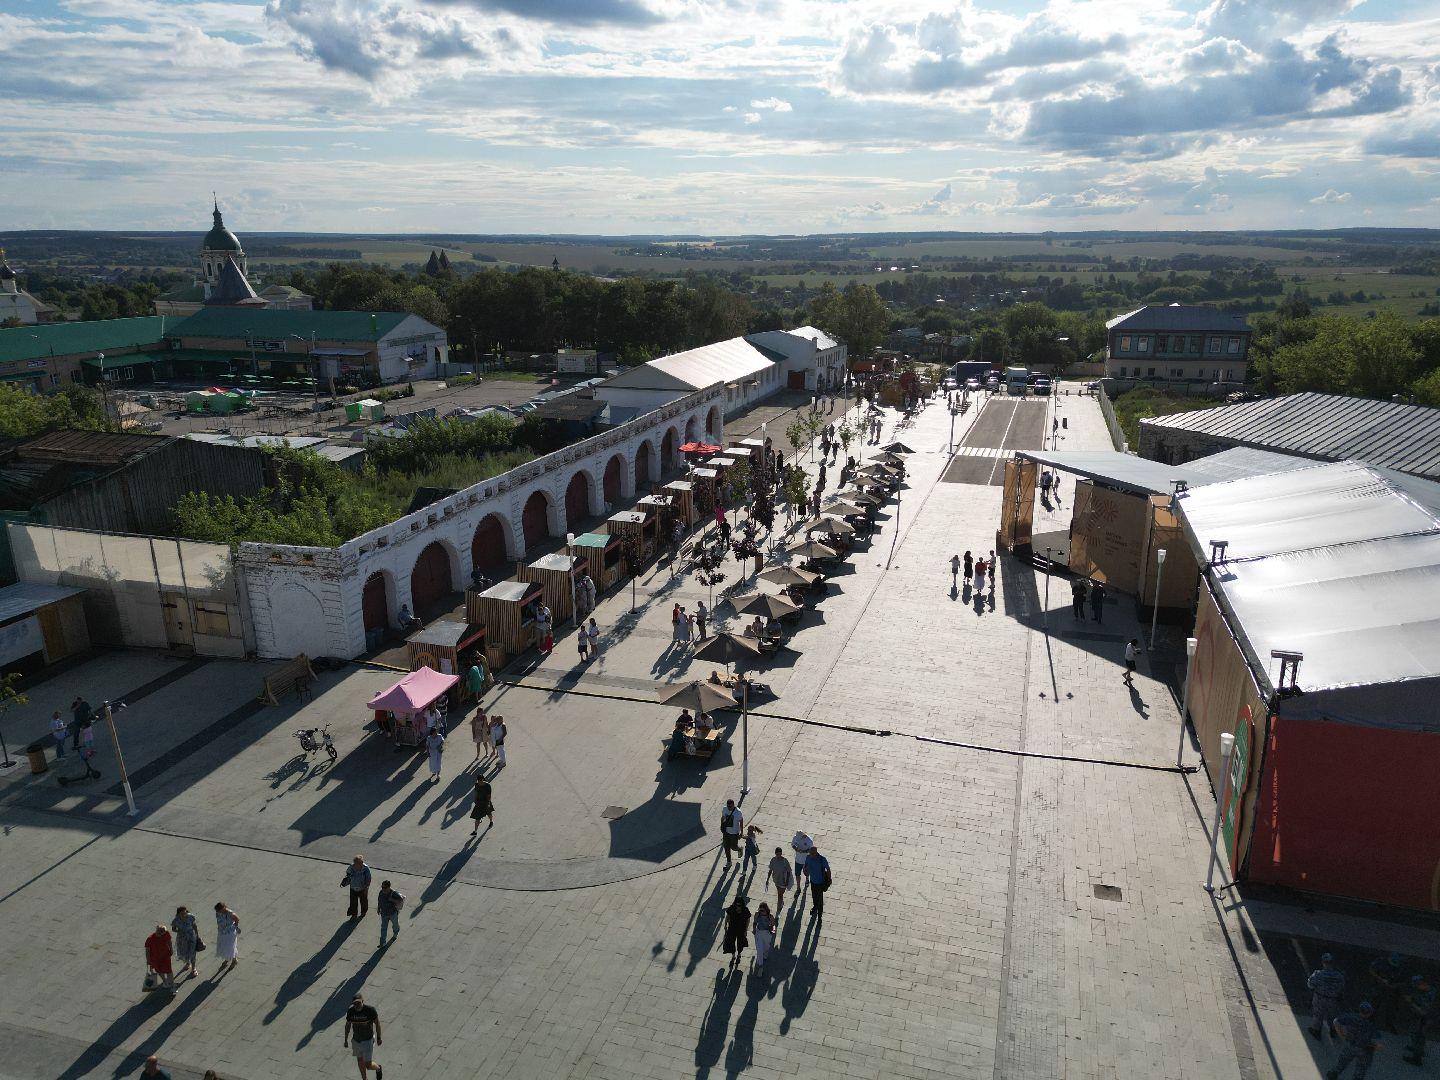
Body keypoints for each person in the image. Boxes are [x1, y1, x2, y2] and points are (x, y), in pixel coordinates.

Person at [1327, 1001, 1379, 1080]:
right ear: (1369, 1013)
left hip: (1350, 1045)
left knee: (1342, 1061)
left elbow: (1336, 1021)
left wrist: (1340, 1033)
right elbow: (1377, 1041)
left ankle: (1333, 1074)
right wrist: (1375, 1047)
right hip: (1365, 1050)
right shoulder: (1371, 1025)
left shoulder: (1351, 1017)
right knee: (1361, 1069)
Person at [343, 993, 383, 1080]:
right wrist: (345, 1040)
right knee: (360, 1061)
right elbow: (348, 1026)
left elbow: (377, 1024)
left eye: (358, 1003)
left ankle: (378, 1068)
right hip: (356, 1040)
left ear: (362, 1001)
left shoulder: (370, 1010)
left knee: (368, 1065)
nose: (357, 1005)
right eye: (355, 1003)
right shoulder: (350, 1011)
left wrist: (379, 1038)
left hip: (368, 1040)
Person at [1309, 953, 1347, 1040]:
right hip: (1333, 1000)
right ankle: (1333, 1031)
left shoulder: (1318, 974)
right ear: (1332, 963)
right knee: (1332, 1015)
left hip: (1319, 998)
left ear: (1323, 962)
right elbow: (1342, 988)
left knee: (1318, 1015)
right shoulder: (1339, 976)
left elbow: (1310, 985)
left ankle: (1316, 1031)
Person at [1401, 973, 1434, 1065]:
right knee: (1415, 1033)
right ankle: (1416, 1048)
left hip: (1425, 1019)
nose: (1415, 987)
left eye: (1416, 985)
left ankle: (1417, 1058)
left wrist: (1411, 1002)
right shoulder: (1425, 990)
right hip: (1420, 1018)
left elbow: (1423, 1011)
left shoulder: (1429, 995)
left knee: (1419, 1036)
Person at [722, 895, 752, 969]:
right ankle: (733, 956)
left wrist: (746, 930)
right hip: (732, 928)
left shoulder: (745, 910)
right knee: (731, 942)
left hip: (741, 929)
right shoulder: (731, 908)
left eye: (739, 905)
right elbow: (727, 916)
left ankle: (739, 954)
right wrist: (725, 925)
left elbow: (748, 920)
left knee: (740, 943)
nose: (738, 907)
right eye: (737, 905)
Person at [145, 924, 175, 994]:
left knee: (169, 971)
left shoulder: (166, 933)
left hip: (165, 956)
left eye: (163, 934)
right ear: (158, 932)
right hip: (155, 959)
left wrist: (171, 949)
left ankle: (172, 986)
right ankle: (165, 981)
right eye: (161, 934)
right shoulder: (150, 939)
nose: (162, 935)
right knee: (159, 971)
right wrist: (148, 961)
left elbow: (169, 941)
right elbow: (147, 951)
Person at [803, 845, 831, 919]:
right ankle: (815, 907)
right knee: (814, 897)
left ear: (816, 852)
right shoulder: (808, 857)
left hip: (820, 883)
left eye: (812, 854)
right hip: (813, 882)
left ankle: (819, 917)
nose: (811, 855)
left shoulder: (822, 859)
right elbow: (805, 865)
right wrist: (805, 870)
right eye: (810, 853)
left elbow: (828, 869)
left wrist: (829, 879)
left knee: (820, 900)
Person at [172, 906, 200, 979]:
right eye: (182, 913)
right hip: (182, 939)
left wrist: (197, 936)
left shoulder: (190, 917)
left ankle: (193, 969)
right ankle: (188, 963)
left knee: (192, 953)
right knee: (184, 952)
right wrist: (179, 931)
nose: (184, 915)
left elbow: (194, 926)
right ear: (178, 914)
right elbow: (173, 929)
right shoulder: (176, 920)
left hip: (191, 938)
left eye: (185, 913)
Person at [376, 881, 404, 948]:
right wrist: (378, 908)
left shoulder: (394, 893)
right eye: (382, 887)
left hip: (393, 913)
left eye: (385, 887)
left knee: (395, 925)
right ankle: (382, 943)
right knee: (383, 928)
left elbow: (401, 900)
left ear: (389, 887)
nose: (383, 889)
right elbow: (379, 900)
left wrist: (392, 900)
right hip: (384, 914)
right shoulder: (381, 892)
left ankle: (395, 933)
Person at [766, 846, 794, 912]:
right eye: (777, 854)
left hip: (783, 881)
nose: (778, 855)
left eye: (780, 854)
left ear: (781, 853)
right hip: (776, 880)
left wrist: (787, 881)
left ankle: (778, 909)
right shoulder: (773, 860)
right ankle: (781, 902)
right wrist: (767, 879)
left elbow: (789, 871)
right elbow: (770, 870)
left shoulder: (785, 861)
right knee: (779, 893)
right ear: (775, 853)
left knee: (780, 895)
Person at [213, 902, 239, 971]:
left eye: (219, 910)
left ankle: (234, 960)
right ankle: (228, 959)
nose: (218, 912)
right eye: (217, 910)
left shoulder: (230, 913)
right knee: (224, 946)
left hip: (230, 933)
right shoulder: (218, 913)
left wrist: (235, 926)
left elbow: (237, 919)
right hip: (221, 932)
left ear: (224, 907)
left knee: (230, 947)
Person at [344, 855, 373, 919]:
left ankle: (363, 912)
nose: (361, 864)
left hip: (362, 888)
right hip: (353, 888)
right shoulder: (351, 867)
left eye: (362, 862)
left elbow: (368, 879)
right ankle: (354, 914)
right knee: (353, 902)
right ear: (355, 863)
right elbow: (348, 873)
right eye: (359, 863)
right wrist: (348, 879)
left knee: (364, 901)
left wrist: (366, 888)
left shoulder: (365, 868)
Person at [790, 831, 813, 904]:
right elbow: (793, 844)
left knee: (806, 872)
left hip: (806, 860)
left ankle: (807, 879)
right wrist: (796, 849)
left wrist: (804, 851)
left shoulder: (809, 840)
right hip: (798, 860)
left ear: (803, 836)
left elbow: (811, 850)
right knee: (797, 874)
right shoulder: (795, 837)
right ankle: (798, 888)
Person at [720, 799, 744, 867]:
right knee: (726, 847)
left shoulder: (738, 812)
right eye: (728, 806)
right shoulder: (725, 809)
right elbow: (723, 817)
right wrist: (721, 825)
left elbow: (741, 821)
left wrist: (741, 832)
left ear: (733, 805)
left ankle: (739, 849)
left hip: (734, 833)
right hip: (726, 832)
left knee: (733, 847)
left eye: (730, 806)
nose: (729, 808)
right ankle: (729, 862)